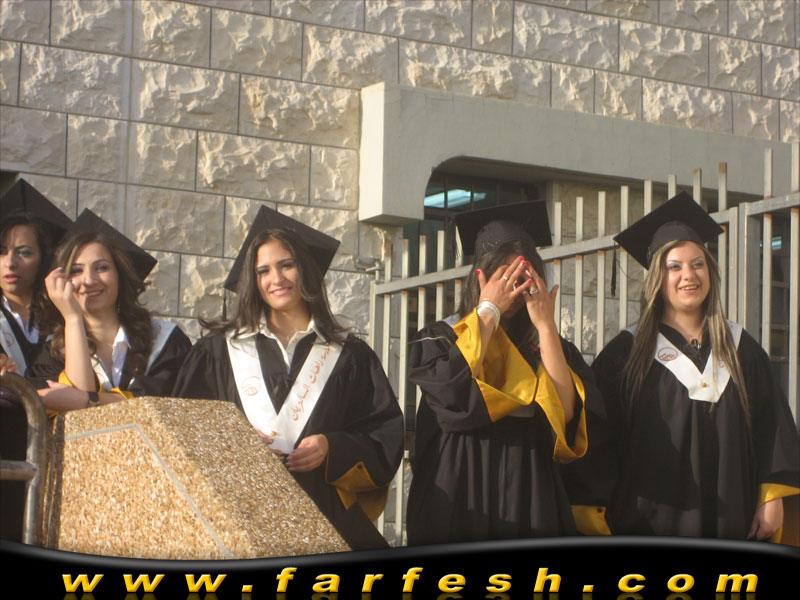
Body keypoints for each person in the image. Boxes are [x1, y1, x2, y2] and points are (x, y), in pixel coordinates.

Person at [172, 205, 403, 550]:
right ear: (253, 280)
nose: (276, 279)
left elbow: (383, 434)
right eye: (263, 271)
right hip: (238, 521)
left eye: (287, 265)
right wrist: (232, 441)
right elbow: (182, 429)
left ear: (306, 270)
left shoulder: (349, 355)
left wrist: (332, 446)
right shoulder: (218, 352)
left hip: (323, 520)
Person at [589, 191, 799, 540]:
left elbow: (772, 427)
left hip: (733, 519)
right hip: (648, 523)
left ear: (710, 271)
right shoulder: (625, 354)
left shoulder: (740, 348)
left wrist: (772, 495)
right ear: (657, 278)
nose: (689, 275)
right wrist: (601, 510)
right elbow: (597, 438)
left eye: (697, 264)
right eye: (674, 267)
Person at [406, 201, 602, 545]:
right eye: (503, 277)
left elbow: (566, 415)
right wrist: (488, 310)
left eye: (522, 277)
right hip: (459, 484)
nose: (513, 288)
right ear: (480, 276)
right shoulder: (442, 338)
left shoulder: (548, 345)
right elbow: (451, 393)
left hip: (530, 487)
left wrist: (546, 326)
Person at [27, 209, 191, 409]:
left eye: (102, 268)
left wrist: (87, 400)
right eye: (76, 271)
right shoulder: (52, 354)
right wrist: (72, 318)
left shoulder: (164, 340)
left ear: (120, 275)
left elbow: (168, 405)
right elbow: (79, 417)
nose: (89, 280)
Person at [0, 176, 72, 542]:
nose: (10, 262)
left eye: (24, 252)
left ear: (44, 257)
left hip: (56, 454)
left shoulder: (62, 317)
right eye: (2, 251)